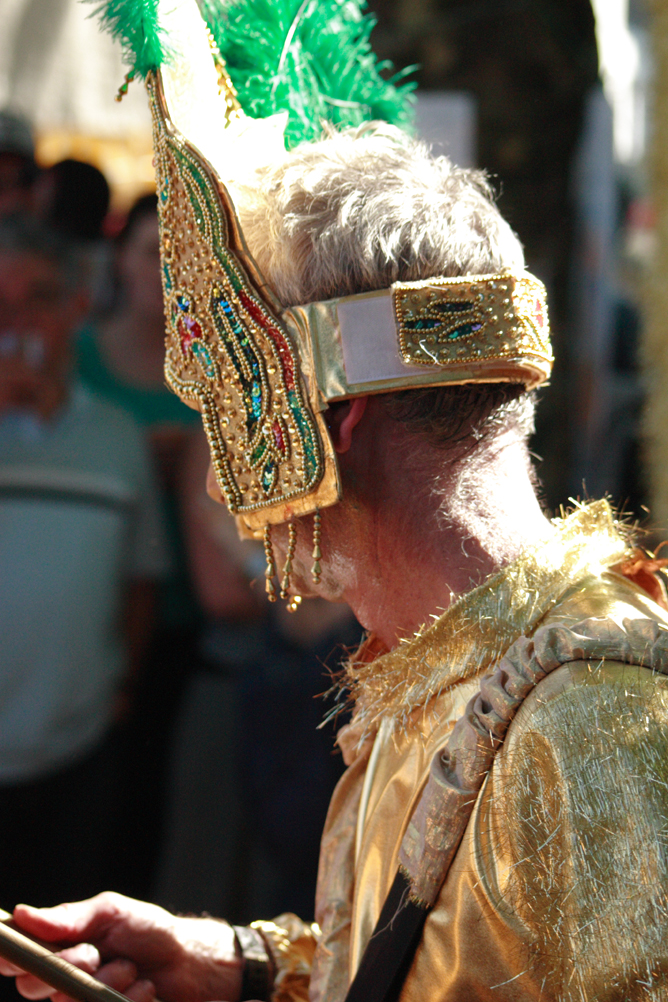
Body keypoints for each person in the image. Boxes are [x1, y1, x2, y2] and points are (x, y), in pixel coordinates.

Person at [3, 2, 668, 1001]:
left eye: (230, 389)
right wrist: (241, 967)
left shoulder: (594, 725)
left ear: (323, 423)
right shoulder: (442, 661)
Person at [0, 213, 168, 914]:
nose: (16, 323)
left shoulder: (115, 435)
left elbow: (141, 582)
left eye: (37, 299)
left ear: (75, 305)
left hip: (77, 753)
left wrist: (118, 687)